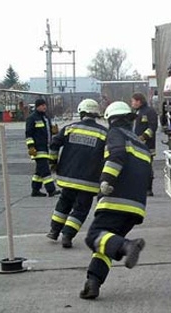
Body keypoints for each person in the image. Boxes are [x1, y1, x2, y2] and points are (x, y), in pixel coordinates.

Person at [79, 101, 151, 300]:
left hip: (116, 200)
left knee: (93, 236)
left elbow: (116, 155)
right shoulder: (140, 143)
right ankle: (92, 283)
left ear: (111, 119)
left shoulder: (115, 134)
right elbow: (149, 175)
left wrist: (105, 181)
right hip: (136, 207)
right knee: (106, 244)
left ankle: (129, 246)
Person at [46, 99, 107, 248]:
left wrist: (53, 163)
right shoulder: (104, 133)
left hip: (68, 177)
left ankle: (54, 231)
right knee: (80, 209)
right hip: (90, 180)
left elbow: (54, 144)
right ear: (96, 114)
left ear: (81, 112)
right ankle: (67, 236)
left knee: (64, 203)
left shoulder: (70, 128)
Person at [25, 98, 59, 197]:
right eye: (42, 105)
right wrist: (31, 147)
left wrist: (54, 131)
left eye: (45, 105)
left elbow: (47, 132)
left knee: (39, 171)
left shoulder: (46, 118)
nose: (44, 107)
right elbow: (28, 134)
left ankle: (35, 190)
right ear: (37, 106)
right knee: (45, 170)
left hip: (46, 147)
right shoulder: (32, 118)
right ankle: (51, 190)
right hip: (37, 149)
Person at [131, 92, 158, 196]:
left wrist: (143, 137)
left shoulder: (150, 112)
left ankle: (148, 189)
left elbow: (152, 127)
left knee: (147, 167)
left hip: (147, 146)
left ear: (138, 101)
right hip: (136, 145)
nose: (132, 103)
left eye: (133, 101)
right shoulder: (137, 112)